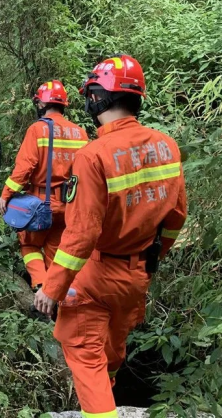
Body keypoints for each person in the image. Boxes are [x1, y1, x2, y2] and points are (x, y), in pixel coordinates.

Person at [33, 55, 187, 418]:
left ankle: (101, 410)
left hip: (96, 276)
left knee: (85, 354)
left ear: (97, 99)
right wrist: (152, 258)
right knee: (114, 347)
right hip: (137, 276)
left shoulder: (94, 156)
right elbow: (176, 218)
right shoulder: (167, 146)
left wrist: (51, 288)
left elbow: (82, 234)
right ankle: (112, 393)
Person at [0, 81, 88, 290]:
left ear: (41, 104)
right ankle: (56, 296)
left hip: (40, 204)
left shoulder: (38, 129)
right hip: (69, 204)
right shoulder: (80, 133)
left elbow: (24, 168)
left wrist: (6, 194)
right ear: (64, 104)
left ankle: (40, 287)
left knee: (29, 244)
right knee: (55, 251)